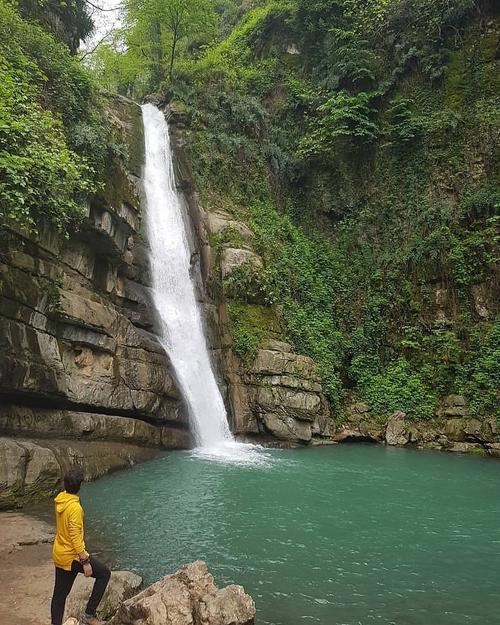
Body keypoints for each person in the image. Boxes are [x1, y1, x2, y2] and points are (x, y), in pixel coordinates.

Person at [50, 468, 111, 625]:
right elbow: (75, 538)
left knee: (59, 595)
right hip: (72, 556)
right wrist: (85, 562)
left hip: (60, 553)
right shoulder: (75, 508)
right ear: (79, 486)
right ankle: (89, 615)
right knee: (104, 573)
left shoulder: (61, 499)